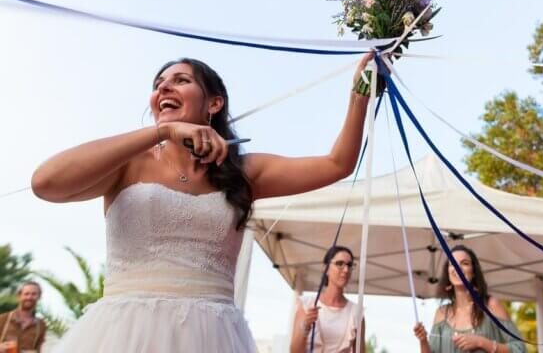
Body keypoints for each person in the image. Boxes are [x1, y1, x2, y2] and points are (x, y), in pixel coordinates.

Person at [31, 54, 374, 352]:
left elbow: (336, 164)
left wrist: (361, 91)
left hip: (214, 336)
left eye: (181, 80)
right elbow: (45, 183)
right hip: (124, 333)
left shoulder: (245, 171)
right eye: (159, 83)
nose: (164, 88)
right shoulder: (127, 162)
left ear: (214, 103)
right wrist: (162, 133)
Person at [413, 245, 525, 353]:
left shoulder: (491, 305)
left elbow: (519, 348)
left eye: (465, 263)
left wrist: (481, 342)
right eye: (452, 264)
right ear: (448, 273)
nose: (458, 267)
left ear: (474, 272)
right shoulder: (441, 313)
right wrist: (423, 341)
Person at [290, 246, 364, 353]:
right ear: (326, 268)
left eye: (349, 265)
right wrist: (305, 326)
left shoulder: (356, 312)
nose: (346, 270)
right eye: (340, 264)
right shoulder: (307, 304)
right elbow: (294, 351)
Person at [0, 281, 46, 353]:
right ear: (19, 296)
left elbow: (38, 350)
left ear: (39, 297)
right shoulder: (3, 318)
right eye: (26, 294)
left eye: (34, 294)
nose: (29, 297)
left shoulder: (41, 325)